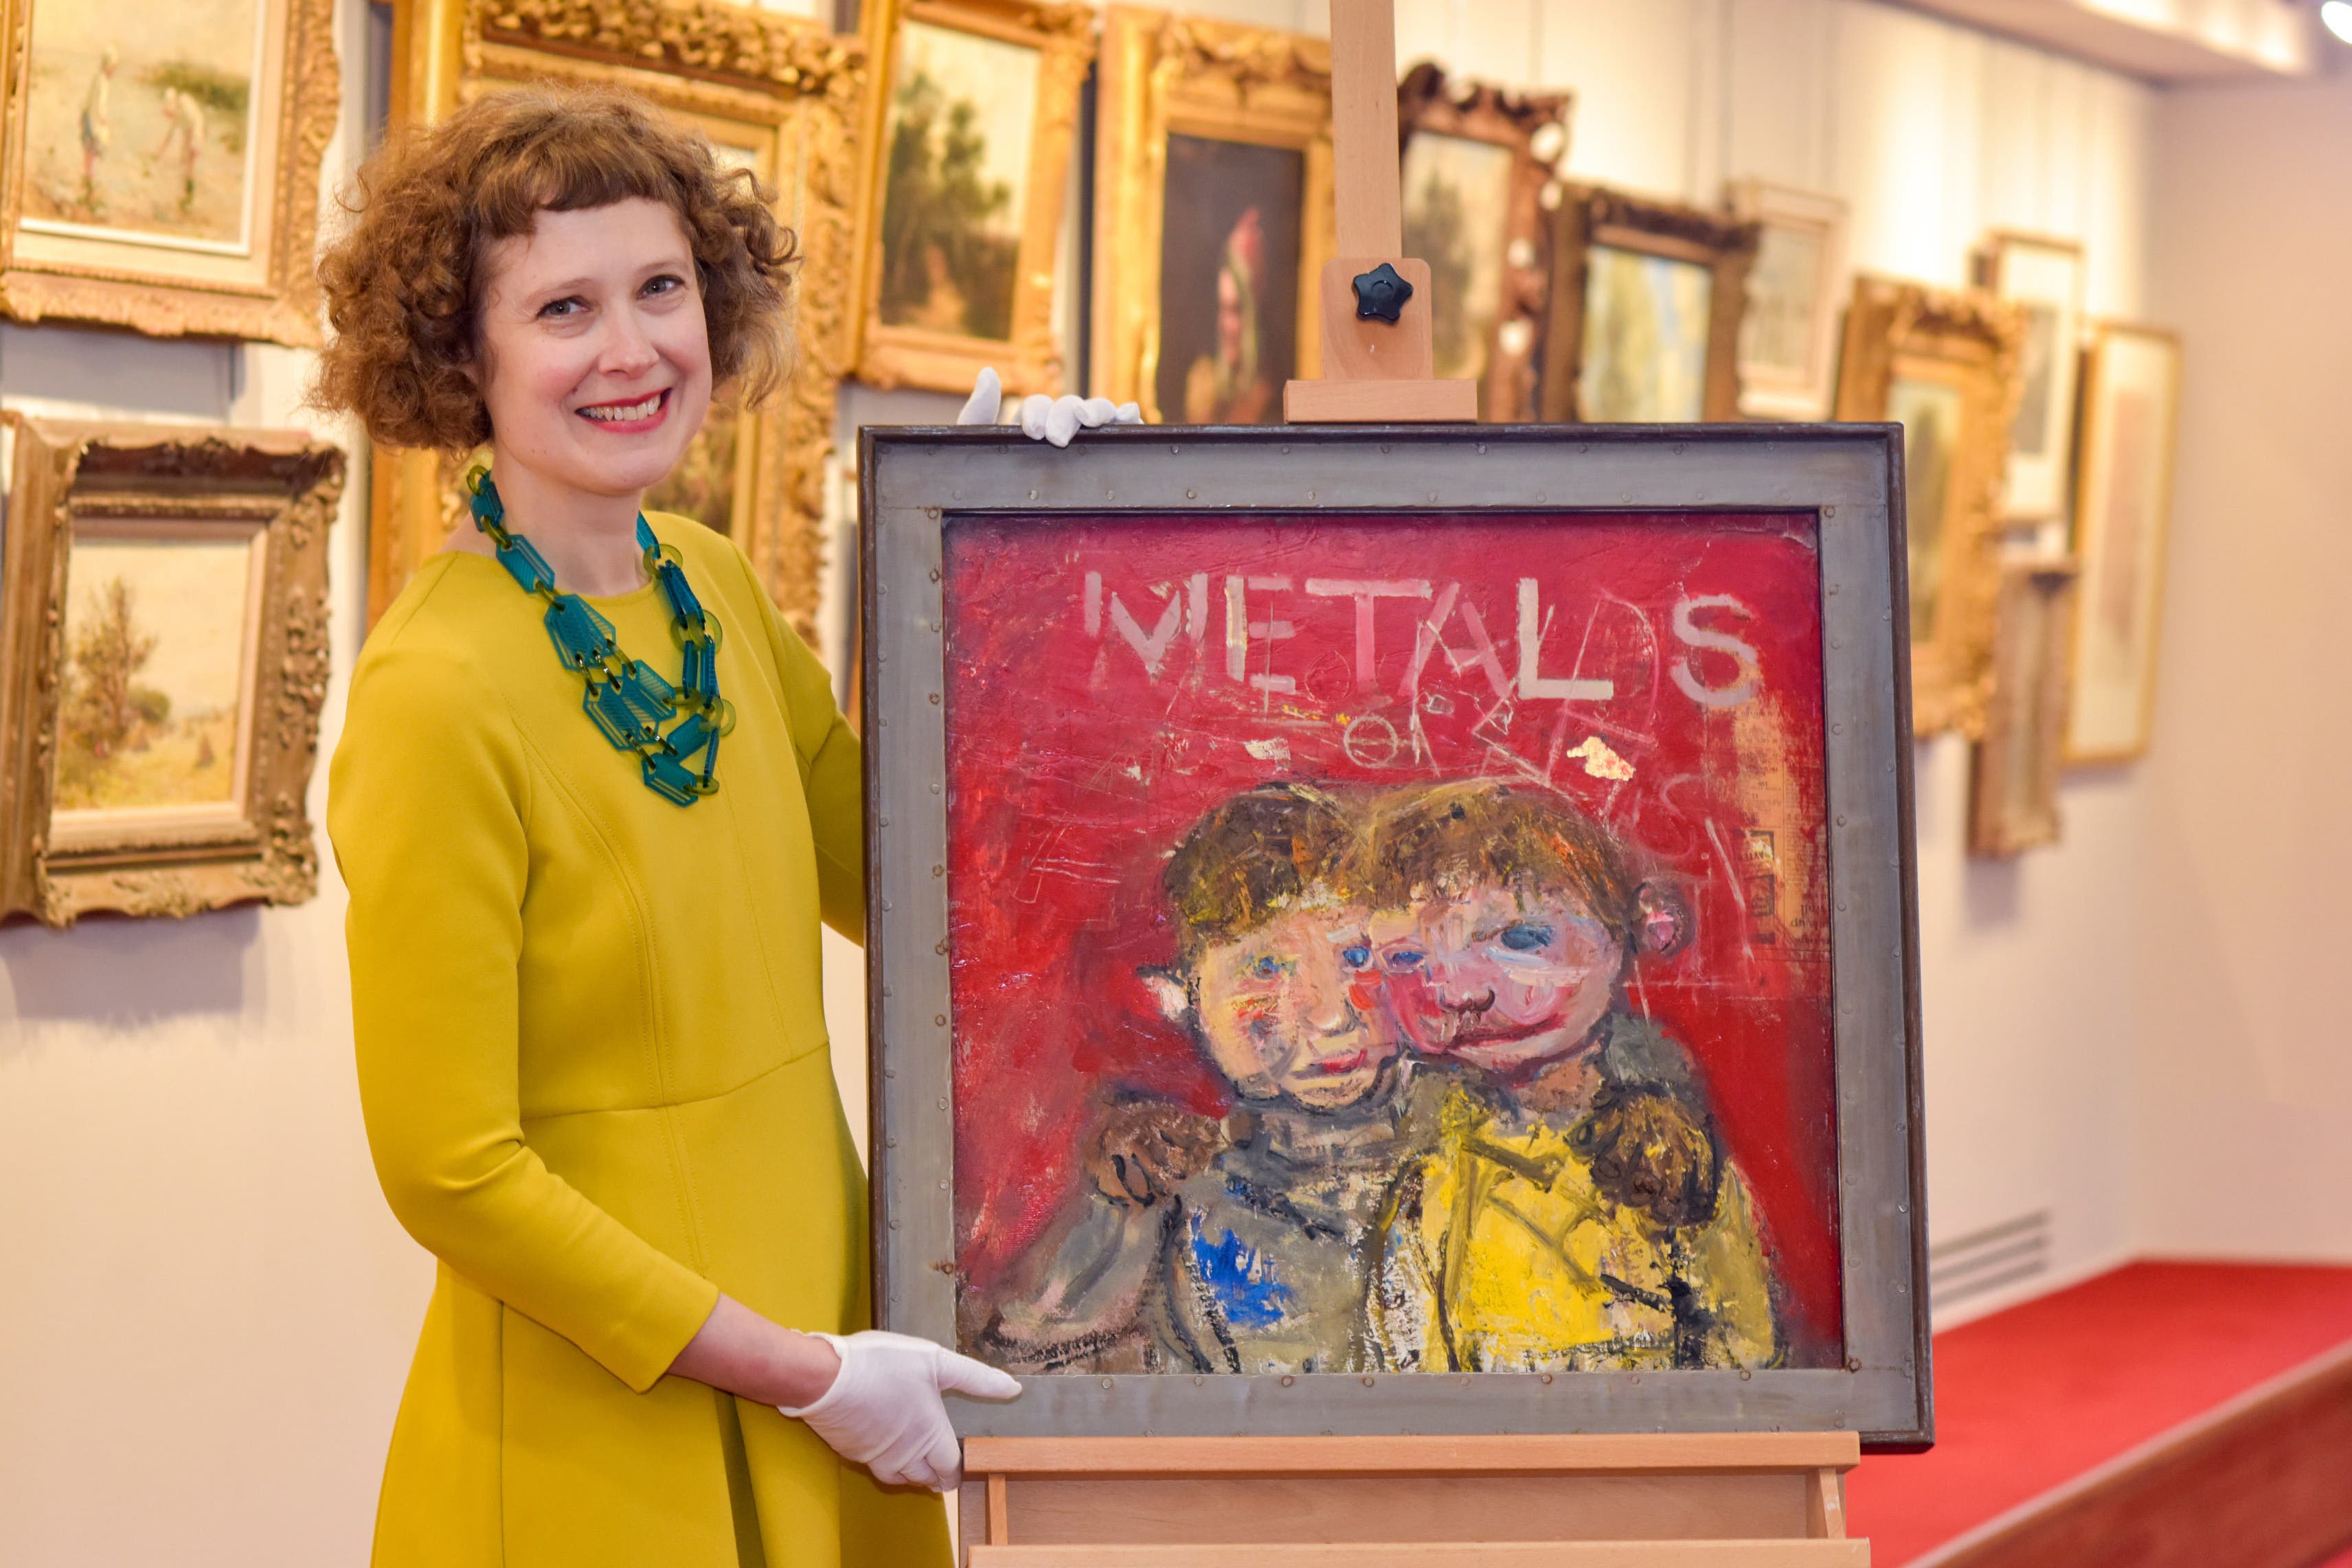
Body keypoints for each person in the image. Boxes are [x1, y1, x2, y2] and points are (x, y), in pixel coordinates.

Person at [314, 85, 1076, 1568]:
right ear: (461, 355)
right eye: (562, 308)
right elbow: (451, 1171)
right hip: (603, 1432)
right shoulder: (434, 693)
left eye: (660, 287)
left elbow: (927, 886)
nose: (630, 348)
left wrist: (1019, 568)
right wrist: (809, 1372)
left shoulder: (712, 587)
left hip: (828, 1374)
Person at [977, 784, 1438, 1374]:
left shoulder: (1472, 1146)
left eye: (1356, 957)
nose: (1331, 1013)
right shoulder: (1176, 1191)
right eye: (1265, 968)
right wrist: (1123, 1219)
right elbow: (1020, 1380)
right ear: (1184, 995)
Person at [1359, 780, 1782, 1374]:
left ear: (1620, 938)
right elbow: (1415, 1377)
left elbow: (1746, 1349)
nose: (1462, 991)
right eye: (1411, 959)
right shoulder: (1431, 1179)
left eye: (1522, 939)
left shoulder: (1675, 1155)